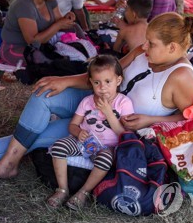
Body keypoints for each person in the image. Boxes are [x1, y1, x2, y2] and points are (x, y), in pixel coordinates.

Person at [0, 12, 193, 184]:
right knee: (44, 92)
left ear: (173, 47)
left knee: (39, 136)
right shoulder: (143, 51)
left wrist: (152, 119)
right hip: (95, 100)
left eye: (152, 44)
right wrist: (65, 80)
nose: (144, 46)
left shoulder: (181, 78)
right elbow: (107, 74)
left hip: (113, 128)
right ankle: (8, 163)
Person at [46, 55, 133, 209]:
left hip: (107, 147)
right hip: (84, 142)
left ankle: (84, 192)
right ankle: (62, 189)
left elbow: (123, 134)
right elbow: (73, 125)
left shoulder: (123, 103)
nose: (102, 87)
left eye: (108, 81)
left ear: (118, 81)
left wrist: (108, 112)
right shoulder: (87, 102)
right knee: (58, 147)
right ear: (91, 82)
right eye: (97, 82)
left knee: (106, 160)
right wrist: (78, 132)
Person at [0, 0, 76, 66]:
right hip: (16, 48)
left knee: (75, 30)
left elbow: (59, 20)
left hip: (42, 45)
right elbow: (33, 42)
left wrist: (66, 19)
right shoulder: (24, 6)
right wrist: (59, 25)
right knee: (43, 61)